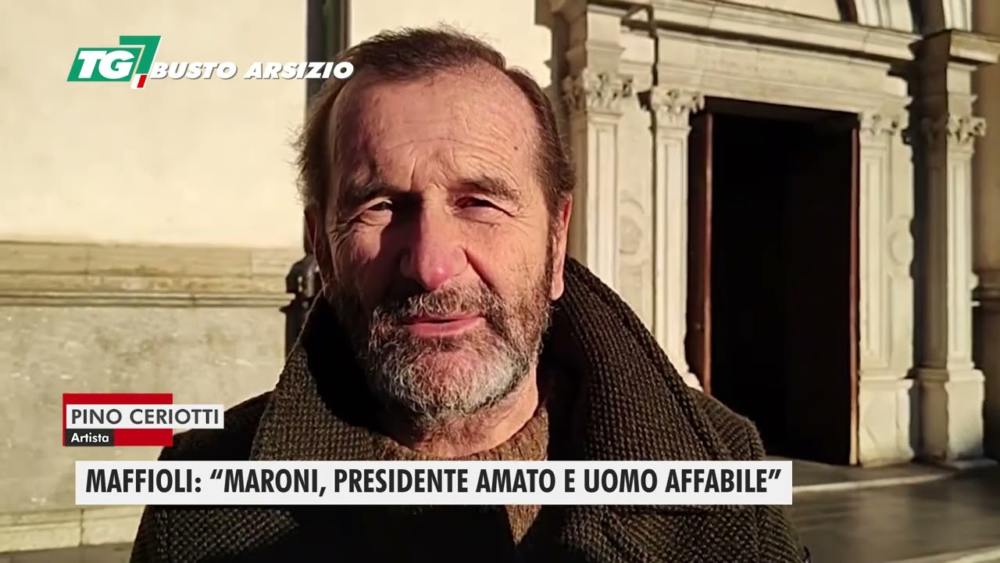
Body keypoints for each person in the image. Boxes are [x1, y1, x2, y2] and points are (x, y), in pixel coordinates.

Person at [131, 27, 805, 562]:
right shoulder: (202, 497)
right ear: (322, 248)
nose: (431, 266)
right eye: (381, 206)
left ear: (556, 240)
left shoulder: (723, 463)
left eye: (480, 202)